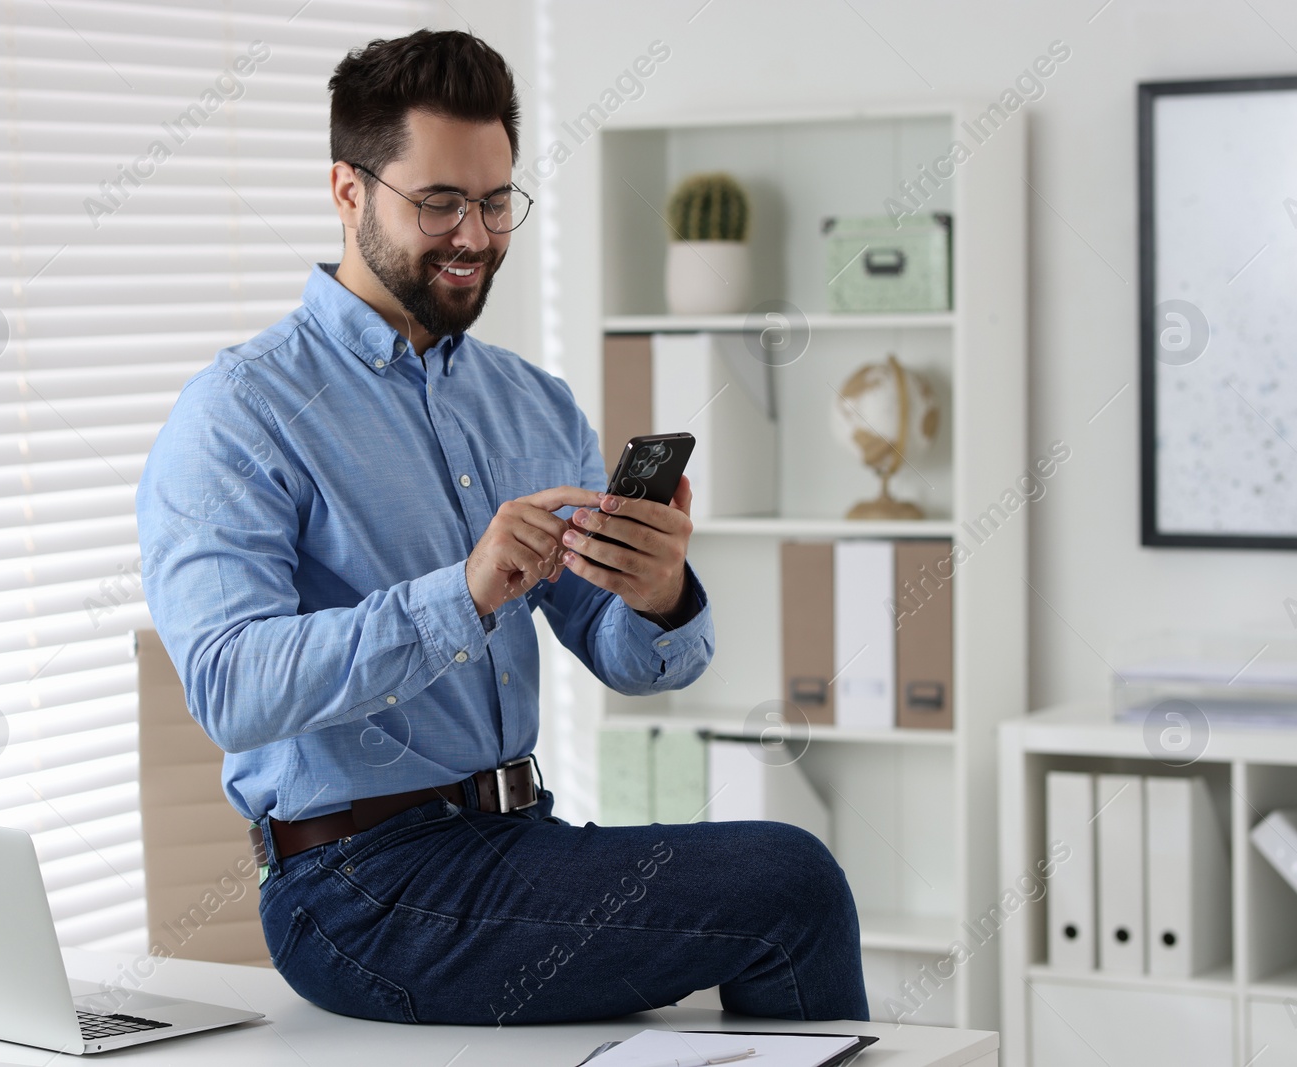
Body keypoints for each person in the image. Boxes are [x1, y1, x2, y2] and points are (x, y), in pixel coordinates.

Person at [135, 28, 867, 1026]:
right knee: (788, 881)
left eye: (493, 200)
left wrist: (656, 595)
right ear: (349, 191)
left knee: (776, 877)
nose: (474, 235)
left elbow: (629, 657)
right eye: (438, 201)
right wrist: (465, 589)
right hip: (354, 891)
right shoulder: (240, 410)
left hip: (516, 839)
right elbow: (228, 687)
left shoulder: (534, 404)